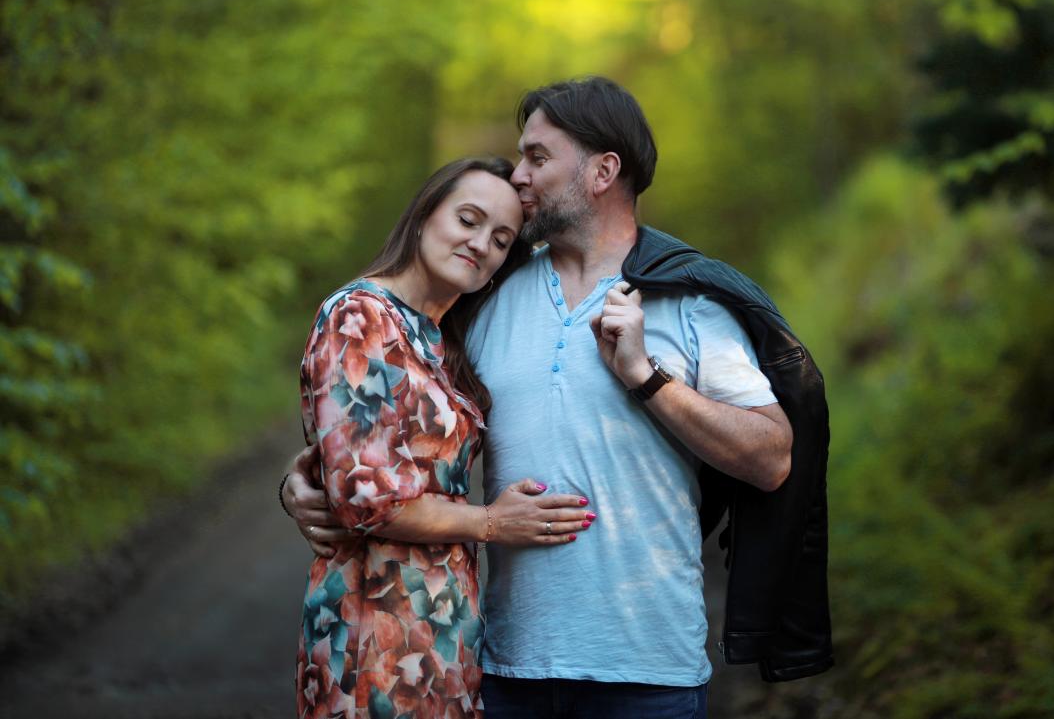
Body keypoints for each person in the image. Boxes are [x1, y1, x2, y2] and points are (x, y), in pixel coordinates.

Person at [285, 77, 820, 718]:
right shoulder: (484, 295)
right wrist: (303, 479)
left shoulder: (689, 299)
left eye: (537, 157)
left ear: (602, 172)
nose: (519, 175)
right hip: (506, 670)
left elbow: (772, 458)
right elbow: (391, 426)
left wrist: (647, 377)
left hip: (650, 672)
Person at [291, 156, 597, 719]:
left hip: (443, 633)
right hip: (374, 630)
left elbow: (352, 451)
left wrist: (299, 476)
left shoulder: (439, 337)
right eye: (468, 219)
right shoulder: (359, 317)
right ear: (424, 216)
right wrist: (492, 522)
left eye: (501, 239)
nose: (481, 244)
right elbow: (368, 496)